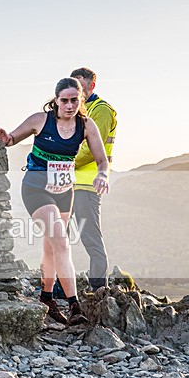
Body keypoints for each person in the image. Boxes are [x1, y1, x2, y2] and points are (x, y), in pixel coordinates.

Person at [0, 78, 109, 326]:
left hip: (64, 191)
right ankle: (74, 305)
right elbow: (12, 139)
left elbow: (102, 160)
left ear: (81, 100)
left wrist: (102, 175)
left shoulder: (86, 126)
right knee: (62, 243)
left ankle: (46, 297)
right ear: (55, 100)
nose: (69, 105)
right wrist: (5, 138)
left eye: (74, 100)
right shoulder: (40, 120)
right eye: (64, 100)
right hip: (36, 188)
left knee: (51, 245)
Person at [70, 67, 117, 291]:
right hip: (67, 184)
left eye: (81, 84)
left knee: (91, 239)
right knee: (59, 237)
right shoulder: (76, 111)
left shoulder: (102, 110)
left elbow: (90, 149)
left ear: (92, 85)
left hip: (87, 185)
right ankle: (61, 289)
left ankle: (99, 291)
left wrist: (60, 163)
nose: (78, 90)